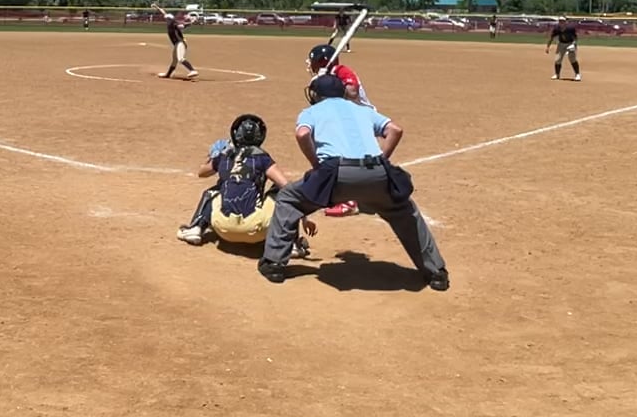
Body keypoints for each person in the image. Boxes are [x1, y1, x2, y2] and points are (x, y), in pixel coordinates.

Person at [257, 73, 448, 291]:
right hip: (376, 174)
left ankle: (274, 264)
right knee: (404, 210)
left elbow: (302, 135)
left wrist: (316, 163)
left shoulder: (311, 112)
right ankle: (436, 272)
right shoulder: (362, 110)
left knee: (289, 198)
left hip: (335, 175)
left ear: (316, 95)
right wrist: (382, 160)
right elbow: (395, 130)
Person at [176, 114, 308, 255]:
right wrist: (304, 217)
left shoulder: (224, 156)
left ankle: (196, 228)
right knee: (280, 190)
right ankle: (292, 244)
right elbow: (288, 188)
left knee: (214, 192)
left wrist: (214, 156)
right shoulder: (262, 158)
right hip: (255, 229)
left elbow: (201, 172)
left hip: (223, 229)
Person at [306, 42, 369, 218]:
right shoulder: (327, 75)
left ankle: (349, 202)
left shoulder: (342, 71)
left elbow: (353, 93)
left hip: (360, 120)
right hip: (345, 119)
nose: (311, 65)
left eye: (314, 61)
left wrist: (332, 81)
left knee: (346, 159)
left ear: (322, 62)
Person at [153, 3, 198, 80]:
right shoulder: (170, 21)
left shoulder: (174, 23)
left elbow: (182, 26)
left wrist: (191, 23)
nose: (167, 19)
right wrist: (157, 7)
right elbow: (164, 13)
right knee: (174, 60)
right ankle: (168, 75)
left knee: (180, 58)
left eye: (168, 18)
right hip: (177, 44)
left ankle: (193, 70)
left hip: (180, 43)